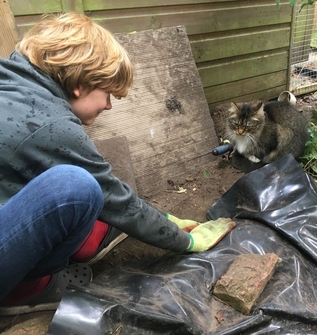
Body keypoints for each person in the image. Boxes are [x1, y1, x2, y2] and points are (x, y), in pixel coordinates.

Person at [0, 12, 235, 316]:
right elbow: (120, 204)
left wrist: (162, 215)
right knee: (76, 186)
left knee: (87, 186)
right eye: (108, 94)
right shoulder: (50, 125)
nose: (109, 105)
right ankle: (26, 291)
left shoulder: (14, 86)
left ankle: (84, 239)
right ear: (80, 84)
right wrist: (187, 240)